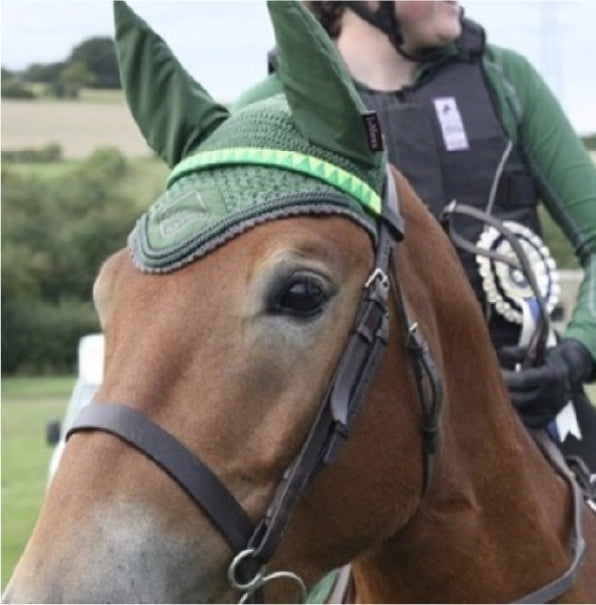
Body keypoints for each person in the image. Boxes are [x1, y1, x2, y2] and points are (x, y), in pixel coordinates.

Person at [239, 1, 596, 477]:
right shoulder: (268, 110)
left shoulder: (506, 79)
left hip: (536, 428)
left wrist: (576, 357)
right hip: (359, 457)